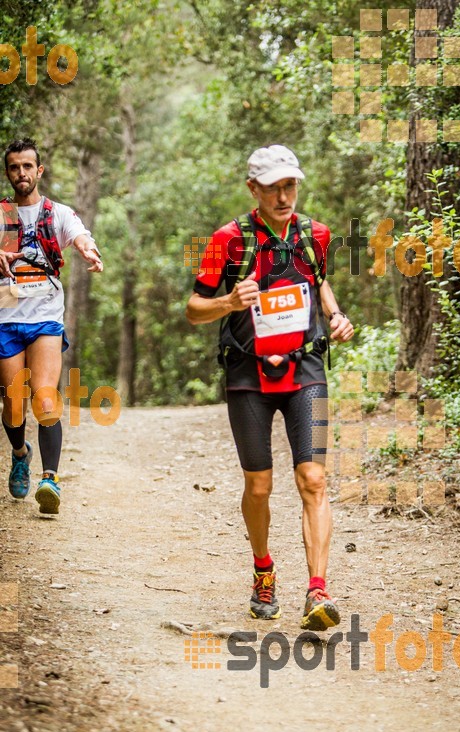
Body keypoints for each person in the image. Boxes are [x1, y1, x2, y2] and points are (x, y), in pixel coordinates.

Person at [186, 145, 354, 630]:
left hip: (305, 370)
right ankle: (263, 569)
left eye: (291, 185)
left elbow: (318, 282)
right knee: (258, 486)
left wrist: (336, 315)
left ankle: (317, 592)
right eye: (274, 187)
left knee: (314, 480)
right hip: (246, 374)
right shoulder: (226, 241)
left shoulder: (314, 235)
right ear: (252, 188)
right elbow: (194, 307)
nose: (284, 196)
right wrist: (227, 302)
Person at [0, 138, 103, 514]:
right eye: (14, 167)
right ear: (8, 173)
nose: (22, 173)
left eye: (28, 166)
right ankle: (19, 452)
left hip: (45, 317)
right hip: (6, 318)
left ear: (39, 171)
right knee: (13, 405)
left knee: (45, 397)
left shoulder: (56, 212)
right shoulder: (1, 214)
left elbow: (79, 234)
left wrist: (88, 250)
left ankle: (50, 478)